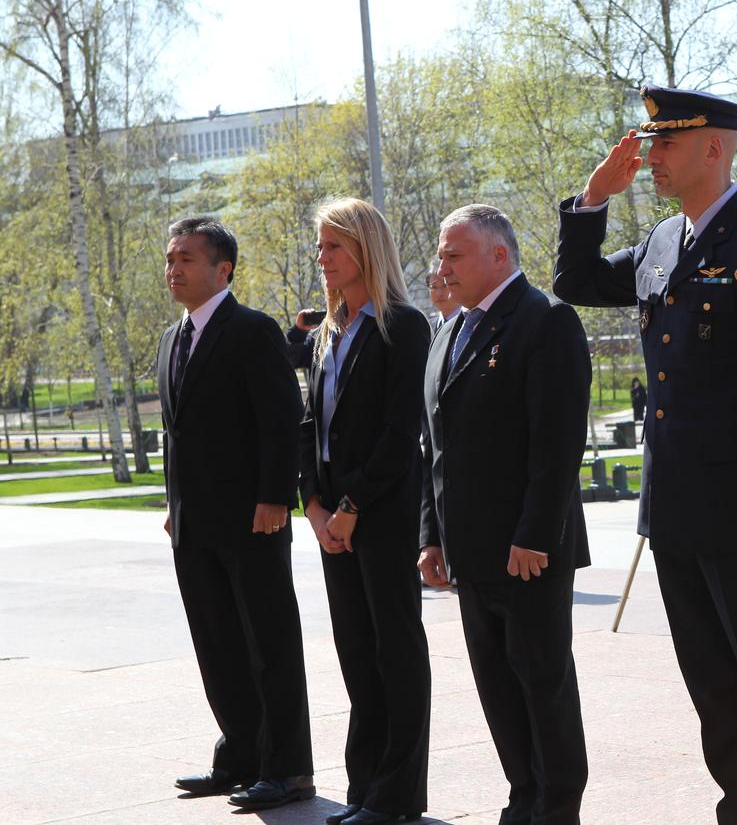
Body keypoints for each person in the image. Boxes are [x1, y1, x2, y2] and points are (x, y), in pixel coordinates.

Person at [554, 86, 737, 825]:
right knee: (715, 691)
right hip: (676, 511)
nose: (650, 157)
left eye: (666, 144)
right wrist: (592, 196)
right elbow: (575, 282)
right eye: (649, 144)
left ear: (715, 148)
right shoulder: (659, 245)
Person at [419, 204, 592, 825]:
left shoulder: (545, 322)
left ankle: (557, 806)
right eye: (442, 255)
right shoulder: (449, 333)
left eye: (453, 255)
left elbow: (557, 443)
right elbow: (434, 447)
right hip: (469, 550)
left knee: (542, 683)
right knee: (497, 685)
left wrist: (536, 534)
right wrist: (432, 538)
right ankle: (524, 797)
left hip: (528, 551)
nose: (442, 266)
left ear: (499, 256)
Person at [157, 217, 314, 810]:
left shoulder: (251, 330)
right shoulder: (173, 337)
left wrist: (276, 495)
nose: (174, 268)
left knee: (268, 644)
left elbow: (279, 418)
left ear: (223, 270)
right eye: (171, 258)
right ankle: (241, 757)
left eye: (187, 259)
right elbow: (178, 434)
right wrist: (176, 505)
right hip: (194, 524)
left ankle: (289, 769)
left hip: (254, 519)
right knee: (217, 644)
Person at [298, 197, 433, 825]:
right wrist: (315, 503)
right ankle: (365, 788)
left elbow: (401, 432)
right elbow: (311, 426)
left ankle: (398, 796)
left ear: (365, 250)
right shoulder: (328, 331)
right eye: (320, 247)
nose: (321, 259)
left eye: (332, 247)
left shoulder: (403, 327)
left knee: (395, 653)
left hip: (380, 517)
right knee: (357, 652)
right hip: (334, 521)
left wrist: (351, 505)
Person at [427, 258, 461, 330]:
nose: (439, 293)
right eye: (434, 287)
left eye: (445, 285)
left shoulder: (469, 324)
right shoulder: (427, 328)